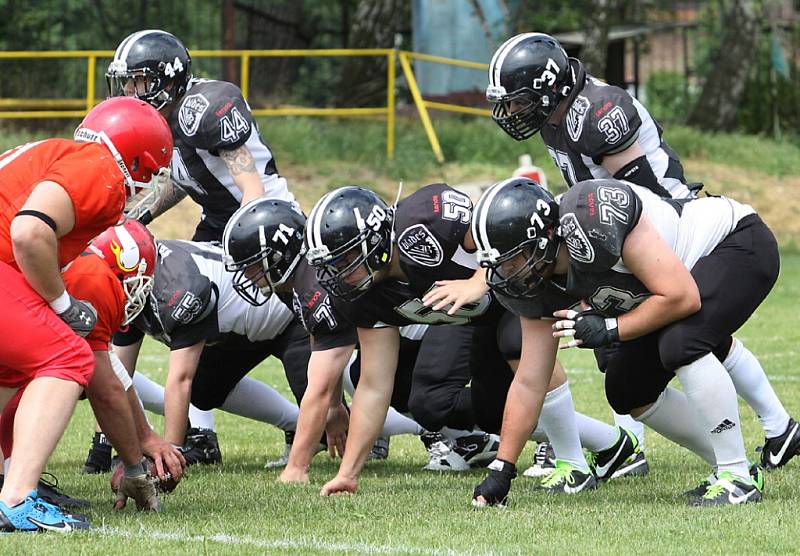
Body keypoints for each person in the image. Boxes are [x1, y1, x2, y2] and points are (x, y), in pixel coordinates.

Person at [470, 176, 798, 507]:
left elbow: (682, 297)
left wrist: (610, 329)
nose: (507, 272)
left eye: (512, 259)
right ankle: (730, 467)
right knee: (627, 388)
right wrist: (503, 467)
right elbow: (529, 381)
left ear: (545, 237)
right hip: (676, 286)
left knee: (682, 342)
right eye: (499, 264)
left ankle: (736, 477)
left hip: (734, 243)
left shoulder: (592, 219)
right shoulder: (534, 285)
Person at [305, 184, 639, 497]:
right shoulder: (358, 297)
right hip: (472, 319)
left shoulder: (424, 221)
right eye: (329, 266)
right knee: (484, 412)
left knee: (518, 348)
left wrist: (481, 280)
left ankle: (572, 464)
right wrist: (348, 472)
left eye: (344, 261)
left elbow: (499, 230)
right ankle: (611, 443)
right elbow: (374, 385)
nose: (338, 275)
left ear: (375, 243)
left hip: (516, 286)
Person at [0, 96, 172, 532]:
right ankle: (18, 500)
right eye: (148, 172)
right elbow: (29, 229)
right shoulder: (102, 171)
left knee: (11, 371)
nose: (145, 183)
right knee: (66, 359)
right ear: (135, 158)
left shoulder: (59, 154)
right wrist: (62, 303)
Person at [221, 198, 427, 482]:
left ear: (280, 254)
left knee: (417, 396)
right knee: (357, 375)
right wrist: (333, 407)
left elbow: (319, 383)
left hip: (420, 330)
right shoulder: (298, 279)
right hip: (398, 333)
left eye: (253, 265)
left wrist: (296, 467)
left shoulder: (313, 284)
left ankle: (447, 434)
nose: (247, 275)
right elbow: (320, 341)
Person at [1, 220, 185, 512]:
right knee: (53, 378)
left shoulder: (83, 265)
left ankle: (11, 483)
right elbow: (105, 389)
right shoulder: (96, 278)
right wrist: (135, 467)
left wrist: (145, 434)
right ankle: (18, 491)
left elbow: (111, 370)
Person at [110, 238, 310, 463]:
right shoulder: (137, 288)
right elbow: (117, 379)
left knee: (330, 414)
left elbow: (180, 378)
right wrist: (102, 450)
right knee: (205, 389)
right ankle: (296, 424)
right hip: (241, 329)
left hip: (287, 316)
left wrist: (171, 454)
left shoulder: (179, 286)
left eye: (116, 278)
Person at [105, 29, 295, 242]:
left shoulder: (202, 108)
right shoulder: (160, 119)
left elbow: (252, 187)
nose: (128, 90)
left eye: (138, 80)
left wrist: (246, 242)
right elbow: (185, 178)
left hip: (266, 216)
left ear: (167, 82)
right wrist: (139, 217)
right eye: (125, 81)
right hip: (217, 223)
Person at [487, 32, 692, 200]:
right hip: (626, 216)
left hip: (670, 213)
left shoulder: (597, 113)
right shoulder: (552, 111)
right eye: (508, 102)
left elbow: (648, 198)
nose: (512, 110)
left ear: (553, 87)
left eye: (520, 101)